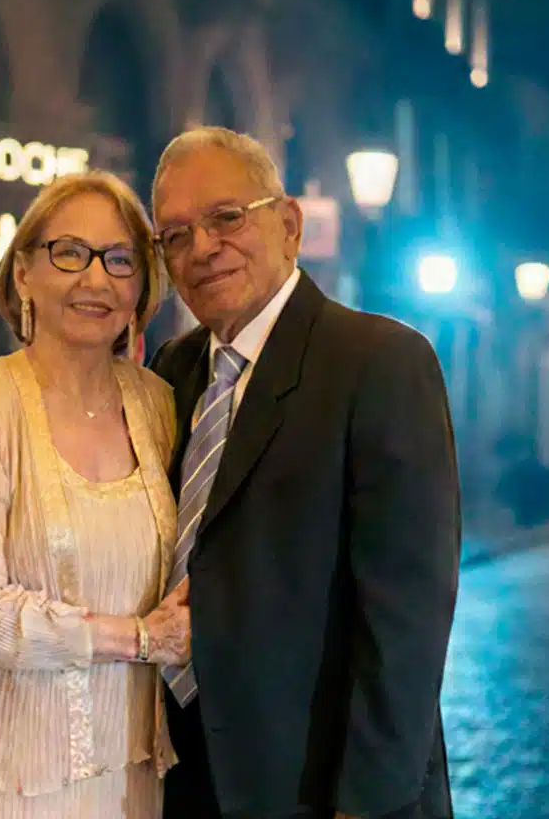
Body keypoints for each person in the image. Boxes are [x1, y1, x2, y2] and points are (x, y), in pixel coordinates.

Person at [149, 127, 461, 819]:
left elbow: (408, 615)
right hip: (186, 776)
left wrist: (366, 802)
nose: (202, 248)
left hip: (318, 785)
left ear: (289, 224)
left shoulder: (379, 361)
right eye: (175, 235)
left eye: (227, 217)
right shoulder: (171, 371)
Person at [0, 170, 190, 817]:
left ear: (141, 286)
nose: (96, 279)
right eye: (69, 253)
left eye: (119, 259)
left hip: (130, 769)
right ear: (22, 273)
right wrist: (138, 638)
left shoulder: (159, 405)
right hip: (4, 777)